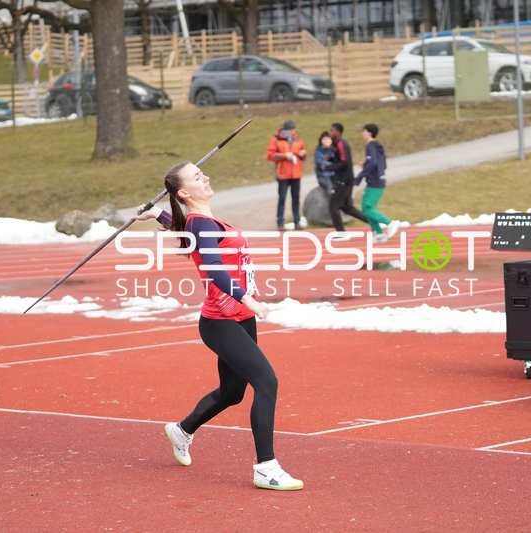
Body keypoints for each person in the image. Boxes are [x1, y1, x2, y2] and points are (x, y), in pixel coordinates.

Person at [137, 161, 304, 491]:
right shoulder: (201, 222)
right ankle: (266, 468)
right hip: (221, 322)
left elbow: (192, 233)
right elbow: (215, 269)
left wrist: (158, 215)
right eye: (197, 177)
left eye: (202, 173)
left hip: (239, 318)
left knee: (232, 393)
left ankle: (181, 430)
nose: (206, 177)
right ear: (184, 192)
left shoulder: (202, 222)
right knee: (266, 382)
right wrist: (248, 299)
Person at [354, 123, 400, 243]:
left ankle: (389, 223)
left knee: (367, 209)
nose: (362, 134)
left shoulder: (370, 145)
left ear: (369, 133)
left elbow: (374, 163)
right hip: (379, 179)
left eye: (364, 131)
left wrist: (359, 177)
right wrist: (366, 164)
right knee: (368, 208)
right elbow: (382, 164)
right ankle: (379, 233)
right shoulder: (378, 146)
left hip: (374, 181)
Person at [322, 122, 368, 240]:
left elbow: (344, 162)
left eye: (332, 130)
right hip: (346, 179)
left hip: (343, 180)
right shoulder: (338, 144)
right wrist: (331, 159)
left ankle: (341, 233)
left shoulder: (341, 144)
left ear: (337, 132)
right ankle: (373, 222)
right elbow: (342, 160)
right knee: (347, 207)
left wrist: (328, 166)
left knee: (333, 206)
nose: (330, 133)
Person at [266, 119, 307, 231]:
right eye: (290, 130)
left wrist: (303, 154)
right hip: (283, 174)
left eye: (294, 130)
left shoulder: (297, 139)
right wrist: (285, 155)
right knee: (282, 198)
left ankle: (297, 222)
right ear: (285, 130)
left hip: (296, 174)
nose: (293, 132)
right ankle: (280, 222)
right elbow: (270, 155)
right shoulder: (276, 139)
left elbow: (303, 152)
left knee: (296, 198)